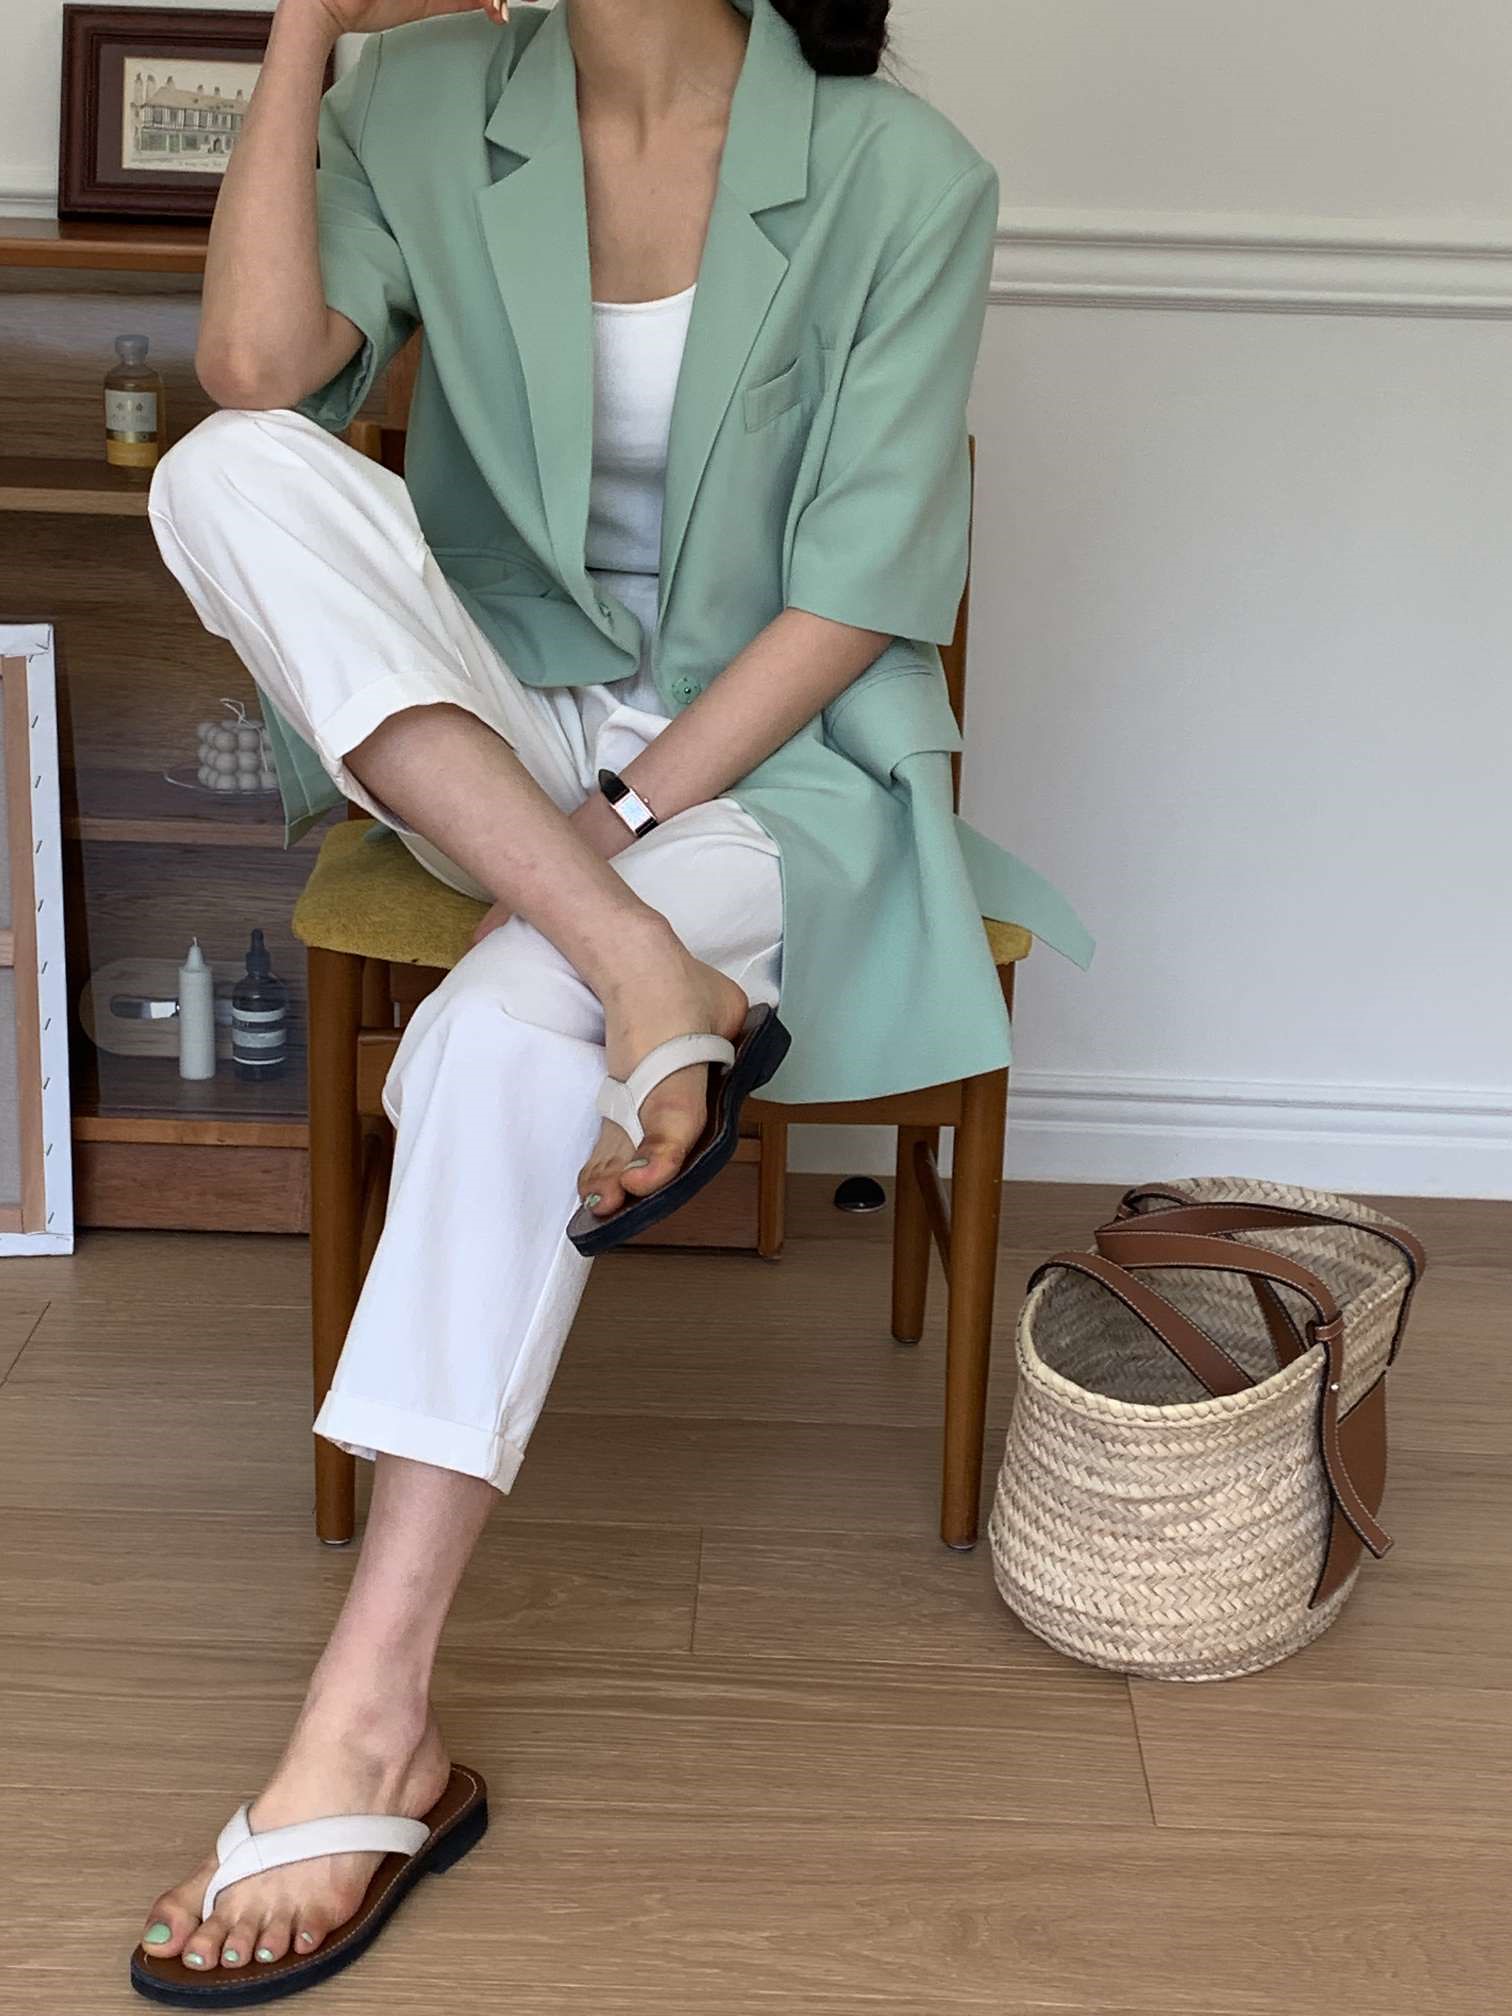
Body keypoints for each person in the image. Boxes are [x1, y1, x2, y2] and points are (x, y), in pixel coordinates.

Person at [133, 0, 1091, 2001]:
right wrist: (302, 31)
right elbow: (257, 373)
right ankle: (644, 967)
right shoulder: (420, 100)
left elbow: (862, 590)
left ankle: (374, 1721)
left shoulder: (902, 175)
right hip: (499, 724)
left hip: (763, 769)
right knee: (221, 474)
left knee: (497, 1034)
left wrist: (626, 819)